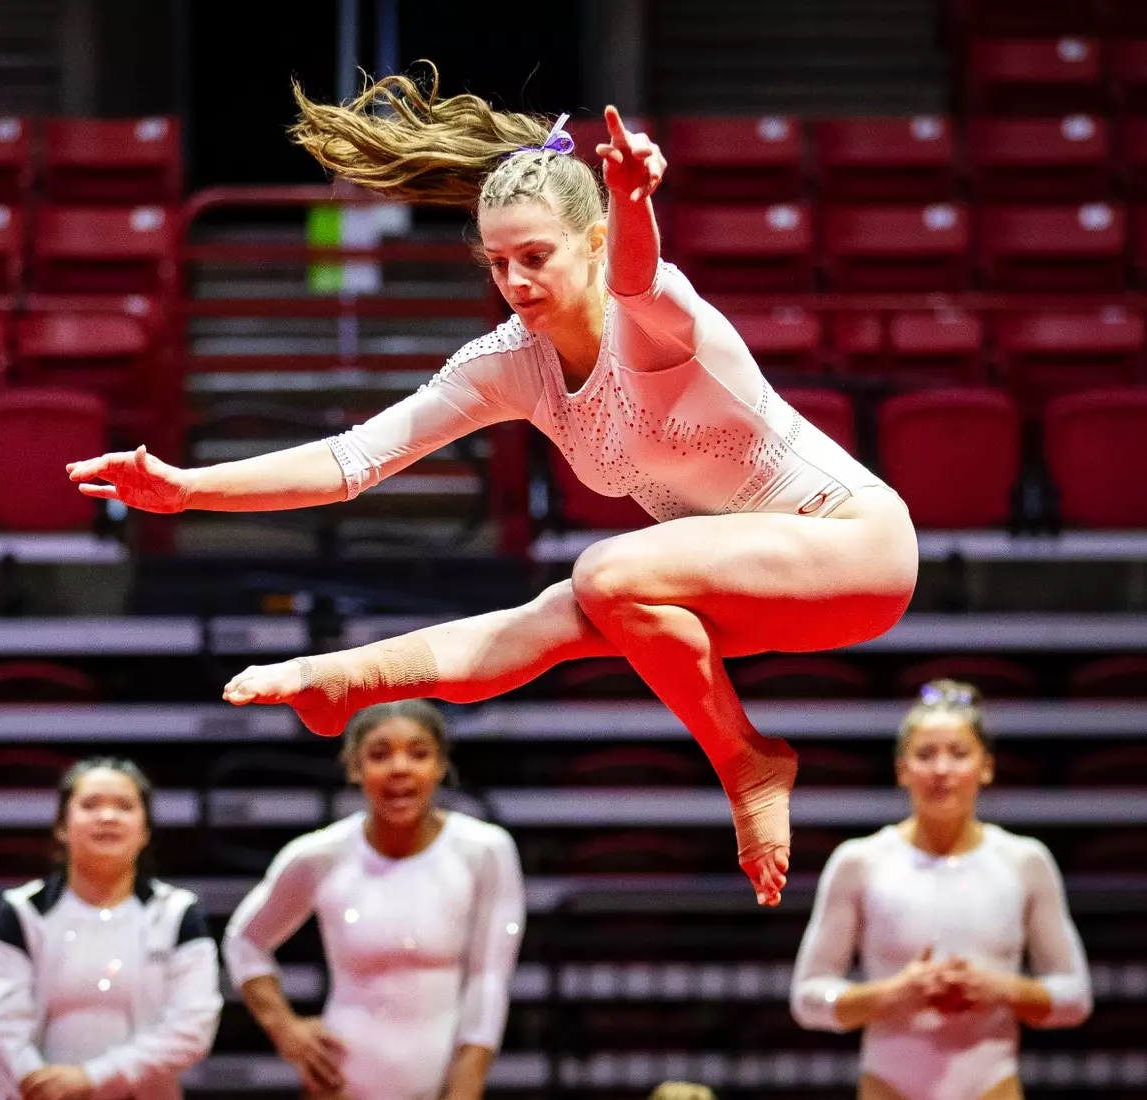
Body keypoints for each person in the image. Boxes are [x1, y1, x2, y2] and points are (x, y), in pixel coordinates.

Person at [66, 66, 918, 906]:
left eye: (537, 257)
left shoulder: (655, 321)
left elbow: (637, 273)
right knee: (556, 616)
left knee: (605, 576)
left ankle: (746, 764)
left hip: (855, 549)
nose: (515, 283)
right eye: (499, 263)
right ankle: (351, 678)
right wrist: (187, 490)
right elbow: (350, 460)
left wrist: (632, 200)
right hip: (740, 589)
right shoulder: (510, 364)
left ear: (591, 242)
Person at [790, 680, 1092, 1100]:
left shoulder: (1024, 862)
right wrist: (895, 993)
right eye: (925, 754)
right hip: (887, 1087)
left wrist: (1001, 989)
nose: (941, 769)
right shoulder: (860, 862)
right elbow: (808, 998)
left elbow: (1075, 996)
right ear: (902, 769)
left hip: (993, 1086)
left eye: (959, 753)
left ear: (986, 766)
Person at [223, 700, 525, 1100]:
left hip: (442, 1084)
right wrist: (285, 1028)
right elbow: (244, 940)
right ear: (354, 768)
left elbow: (488, 980)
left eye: (419, 754)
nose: (400, 768)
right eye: (380, 755)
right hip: (340, 1084)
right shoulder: (319, 855)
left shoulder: (484, 851)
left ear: (440, 766)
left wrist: (466, 1086)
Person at [0, 757, 221, 1100]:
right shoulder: (21, 911)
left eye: (124, 806)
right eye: (90, 805)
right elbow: (1, 1025)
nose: (107, 817)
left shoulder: (177, 913)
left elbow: (192, 1028)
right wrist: (40, 1084)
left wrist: (91, 1078)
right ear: (61, 826)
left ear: (145, 830)